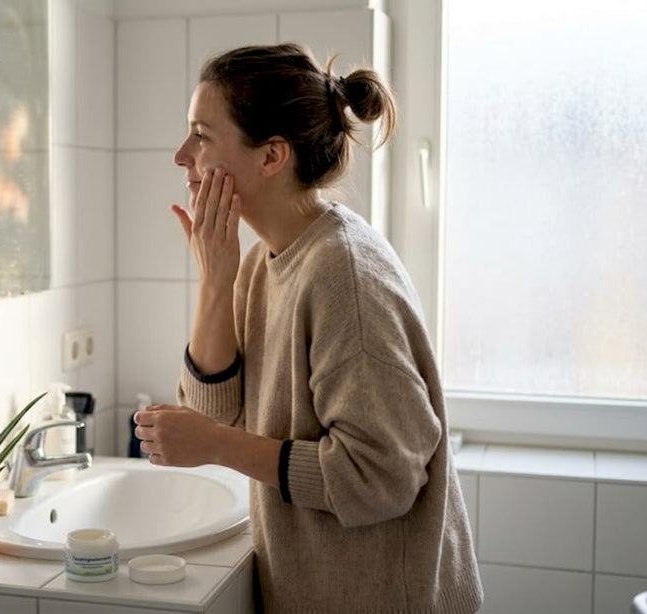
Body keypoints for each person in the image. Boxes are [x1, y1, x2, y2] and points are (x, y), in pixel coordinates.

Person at [132, 43, 483, 613]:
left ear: (271, 155)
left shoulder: (342, 275)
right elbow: (211, 413)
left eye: (202, 136)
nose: (180, 156)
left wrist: (218, 446)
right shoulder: (261, 262)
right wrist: (215, 282)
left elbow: (382, 477)